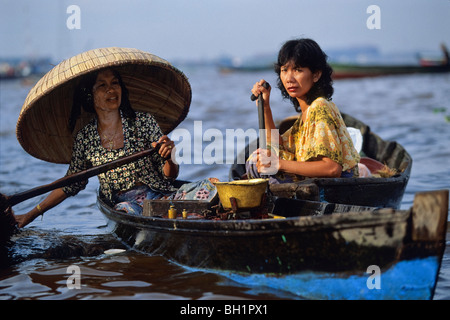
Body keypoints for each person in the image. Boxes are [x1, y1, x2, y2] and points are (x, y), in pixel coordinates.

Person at [14, 68, 215, 227]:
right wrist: (30, 215)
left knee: (210, 187)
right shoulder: (86, 138)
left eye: (115, 83)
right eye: (103, 85)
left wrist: (169, 156)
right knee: (132, 212)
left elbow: (169, 176)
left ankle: (184, 215)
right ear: (89, 95)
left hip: (161, 194)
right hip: (126, 206)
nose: (111, 90)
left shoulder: (142, 122)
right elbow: (70, 184)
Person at [246, 38, 360, 183]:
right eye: (284, 70)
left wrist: (278, 164)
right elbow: (275, 146)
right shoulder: (305, 116)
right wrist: (265, 106)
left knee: (266, 167)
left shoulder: (320, 107)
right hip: (317, 183)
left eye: (298, 70)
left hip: (338, 187)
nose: (289, 78)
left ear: (316, 75)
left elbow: (332, 169)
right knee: (257, 159)